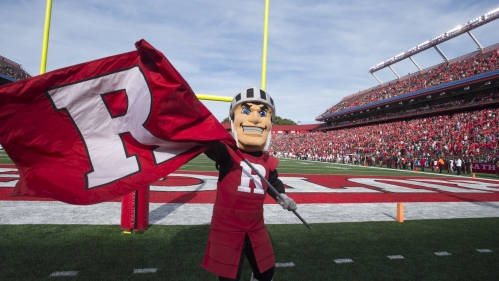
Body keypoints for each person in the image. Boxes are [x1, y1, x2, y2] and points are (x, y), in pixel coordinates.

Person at [201, 88, 297, 281]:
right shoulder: (227, 153)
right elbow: (206, 141)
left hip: (255, 224)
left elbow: (273, 182)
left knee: (266, 271)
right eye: (246, 111)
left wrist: (283, 197)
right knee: (229, 275)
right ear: (232, 119)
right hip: (227, 226)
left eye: (262, 113)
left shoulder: (267, 161)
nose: (254, 119)